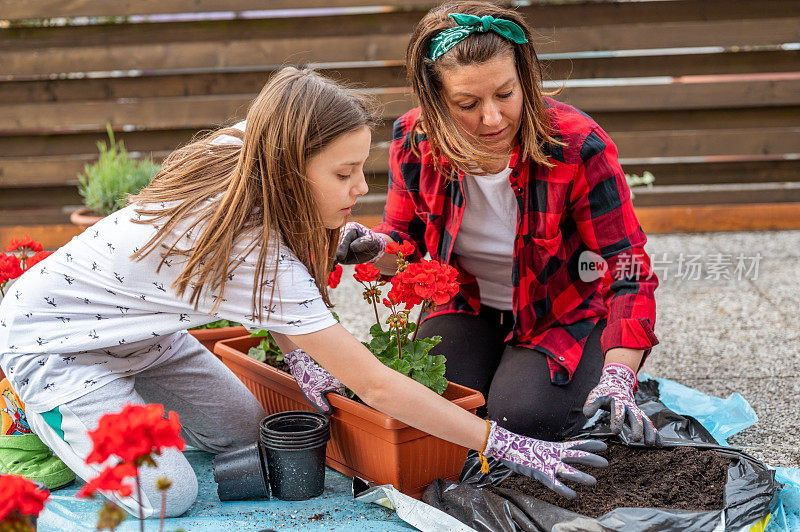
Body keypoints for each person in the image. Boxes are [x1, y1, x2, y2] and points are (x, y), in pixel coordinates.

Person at [0, 67, 606, 518]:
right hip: (57, 346)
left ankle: (116, 407)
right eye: (343, 176)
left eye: (360, 167)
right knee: (166, 500)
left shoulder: (248, 146)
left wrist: (340, 248)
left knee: (248, 428)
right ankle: (37, 410)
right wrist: (505, 443)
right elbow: (373, 382)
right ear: (289, 169)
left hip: (148, 336)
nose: (359, 188)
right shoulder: (249, 252)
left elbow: (288, 116)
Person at [337, 1, 662, 446]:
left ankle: (568, 371)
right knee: (435, 403)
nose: (492, 118)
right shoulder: (414, 140)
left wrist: (621, 373)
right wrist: (373, 248)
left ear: (524, 81)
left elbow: (628, 268)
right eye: (467, 103)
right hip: (469, 303)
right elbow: (402, 244)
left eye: (506, 94)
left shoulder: (577, 146)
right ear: (434, 101)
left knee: (521, 419)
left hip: (561, 310)